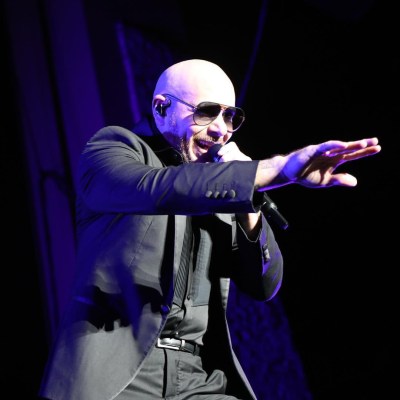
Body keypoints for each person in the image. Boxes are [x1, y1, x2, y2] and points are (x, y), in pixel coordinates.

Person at [38, 59, 381, 400]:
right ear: (161, 108)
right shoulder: (112, 150)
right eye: (206, 112)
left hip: (197, 376)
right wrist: (278, 169)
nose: (221, 130)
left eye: (230, 116)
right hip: (120, 374)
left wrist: (248, 204)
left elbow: (264, 284)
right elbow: (163, 190)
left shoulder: (222, 182)